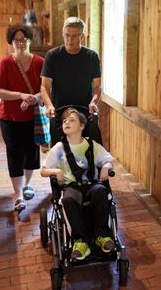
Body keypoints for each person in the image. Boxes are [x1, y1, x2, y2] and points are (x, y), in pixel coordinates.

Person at [41, 108, 116, 260]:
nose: (66, 122)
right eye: (64, 121)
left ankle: (102, 236)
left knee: (101, 191)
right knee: (68, 199)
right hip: (71, 187)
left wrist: (106, 167)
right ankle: (80, 241)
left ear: (82, 126)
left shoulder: (92, 145)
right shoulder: (58, 148)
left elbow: (108, 160)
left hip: (91, 184)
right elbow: (44, 171)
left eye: (72, 120)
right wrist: (56, 171)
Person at [0, 24, 44, 212]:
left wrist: (33, 99)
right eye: (16, 40)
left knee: (31, 151)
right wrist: (20, 96)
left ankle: (28, 185)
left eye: (23, 39)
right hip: (10, 117)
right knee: (14, 154)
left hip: (33, 117)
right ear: (11, 42)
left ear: (30, 40)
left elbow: (46, 89)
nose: (20, 43)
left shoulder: (39, 62)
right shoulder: (5, 63)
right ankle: (18, 194)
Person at [40, 17, 101, 119]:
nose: (69, 40)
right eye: (67, 35)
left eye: (74, 36)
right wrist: (48, 105)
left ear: (81, 37)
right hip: (58, 112)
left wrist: (94, 102)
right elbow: (45, 86)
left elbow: (97, 86)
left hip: (84, 113)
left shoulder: (92, 56)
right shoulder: (52, 56)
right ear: (63, 34)